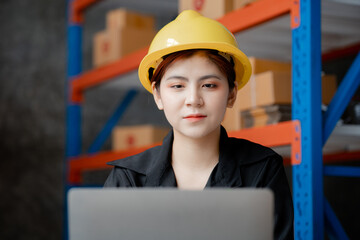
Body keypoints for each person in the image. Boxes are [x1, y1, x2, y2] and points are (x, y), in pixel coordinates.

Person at [104, 10, 294, 239]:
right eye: (177, 86)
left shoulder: (262, 172)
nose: (193, 99)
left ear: (232, 93)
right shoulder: (128, 180)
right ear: (158, 95)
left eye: (209, 85)